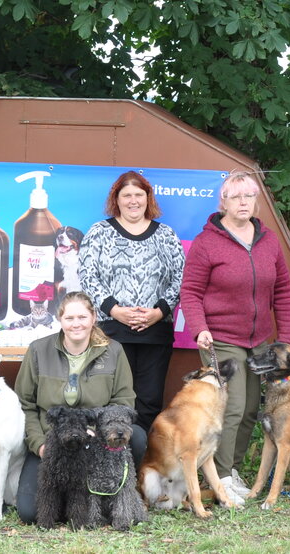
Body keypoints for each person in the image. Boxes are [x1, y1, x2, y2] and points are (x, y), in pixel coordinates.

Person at [179, 169, 290, 502]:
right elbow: (190, 291)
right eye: (236, 196)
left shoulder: (268, 240)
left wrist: (285, 339)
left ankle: (232, 471)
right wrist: (199, 328)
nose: (243, 202)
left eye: (249, 196)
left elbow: (283, 292)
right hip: (220, 337)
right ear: (224, 202)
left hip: (259, 340)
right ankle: (220, 478)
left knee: (249, 410)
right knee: (232, 407)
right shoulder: (207, 242)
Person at [12, 291, 143, 524]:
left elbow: (123, 401)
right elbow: (25, 405)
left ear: (94, 318)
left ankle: (114, 499)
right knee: (30, 513)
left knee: (138, 437)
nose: (76, 324)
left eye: (82, 317)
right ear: (59, 320)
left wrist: (98, 432)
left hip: (98, 440)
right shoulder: (38, 350)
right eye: (69, 318)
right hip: (53, 442)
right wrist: (39, 444)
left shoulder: (113, 351)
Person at [79, 170, 185, 430]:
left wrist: (159, 312)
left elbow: (181, 277)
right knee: (112, 401)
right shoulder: (99, 232)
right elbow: (87, 274)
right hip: (112, 332)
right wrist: (115, 310)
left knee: (149, 401)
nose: (133, 201)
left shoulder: (166, 235)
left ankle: (144, 454)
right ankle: (111, 455)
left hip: (155, 333)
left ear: (148, 198)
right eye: (127, 195)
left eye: (139, 194)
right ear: (116, 199)